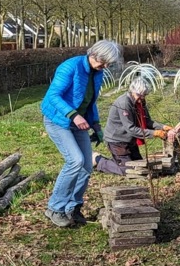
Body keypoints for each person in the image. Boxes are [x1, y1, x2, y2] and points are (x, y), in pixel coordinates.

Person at [40, 39, 122, 227]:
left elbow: (90, 101)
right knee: (75, 161)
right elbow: (52, 96)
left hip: (80, 122)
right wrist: (73, 115)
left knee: (86, 165)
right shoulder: (70, 67)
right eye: (104, 62)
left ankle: (73, 207)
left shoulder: (97, 73)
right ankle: (55, 207)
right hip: (58, 120)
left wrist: (96, 124)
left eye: (108, 64)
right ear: (94, 55)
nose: (105, 66)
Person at [94, 78, 176, 176]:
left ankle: (118, 161)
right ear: (132, 91)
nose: (141, 98)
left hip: (129, 141)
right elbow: (131, 129)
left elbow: (147, 121)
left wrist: (163, 127)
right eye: (139, 95)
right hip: (116, 141)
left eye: (144, 95)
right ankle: (99, 161)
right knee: (128, 170)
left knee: (141, 166)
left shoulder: (140, 102)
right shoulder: (124, 103)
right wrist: (154, 133)